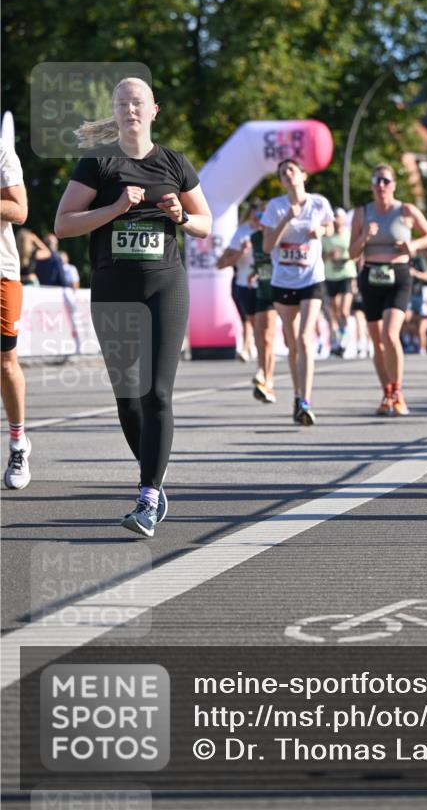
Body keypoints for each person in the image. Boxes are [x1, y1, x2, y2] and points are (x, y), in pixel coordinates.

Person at [54, 77, 212, 537]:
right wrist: (118, 207)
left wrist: (181, 216)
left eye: (138, 102)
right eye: (122, 103)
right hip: (114, 289)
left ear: (153, 110)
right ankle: (155, 483)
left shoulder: (174, 162)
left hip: (165, 286)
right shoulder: (98, 163)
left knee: (157, 392)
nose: (130, 110)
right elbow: (63, 225)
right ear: (115, 112)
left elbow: (204, 222)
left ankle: (146, 495)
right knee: (128, 397)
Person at [349, 163, 427, 416]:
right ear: (371, 186)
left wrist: (414, 245)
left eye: (386, 181)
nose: (381, 186)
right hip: (371, 277)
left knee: (390, 334)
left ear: (394, 185)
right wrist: (364, 237)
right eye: (377, 181)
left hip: (398, 276)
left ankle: (398, 392)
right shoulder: (362, 213)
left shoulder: (406, 210)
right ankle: (386, 392)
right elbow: (351, 253)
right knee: (377, 341)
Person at [261, 158, 333, 425]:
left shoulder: (318, 203)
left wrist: (321, 230)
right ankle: (296, 394)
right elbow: (268, 247)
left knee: (304, 338)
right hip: (284, 280)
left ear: (303, 174)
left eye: (292, 170)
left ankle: (306, 400)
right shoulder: (276, 207)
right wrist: (286, 220)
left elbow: (333, 226)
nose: (288, 174)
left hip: (312, 278)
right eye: (282, 172)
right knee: (292, 344)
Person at [1, 132, 31, 489]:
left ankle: (18, 442)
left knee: (5, 361)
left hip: (1, 272)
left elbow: (19, 209)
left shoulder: (1, 152)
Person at [217, 199, 262, 363]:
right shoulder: (242, 233)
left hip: (265, 283)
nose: (258, 217)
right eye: (254, 214)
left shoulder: (271, 231)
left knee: (257, 320)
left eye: (261, 214)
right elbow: (224, 263)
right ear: (249, 215)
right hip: (243, 282)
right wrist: (241, 251)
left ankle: (254, 347)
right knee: (247, 318)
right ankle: (247, 347)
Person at [248, 205, 277, 402]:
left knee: (267, 337)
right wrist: (254, 273)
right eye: (257, 216)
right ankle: (263, 374)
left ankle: (267, 379)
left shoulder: (278, 236)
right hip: (261, 290)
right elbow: (261, 264)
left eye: (263, 216)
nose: (259, 219)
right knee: (260, 335)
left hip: (279, 290)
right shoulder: (255, 238)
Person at [322, 207, 356, 357]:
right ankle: (337, 338)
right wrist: (328, 256)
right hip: (330, 275)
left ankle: (345, 338)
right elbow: (319, 258)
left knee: (344, 310)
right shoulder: (326, 237)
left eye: (338, 216)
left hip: (347, 274)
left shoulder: (349, 235)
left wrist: (351, 257)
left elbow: (358, 254)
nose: (336, 220)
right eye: (333, 217)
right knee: (333, 310)